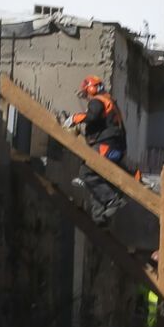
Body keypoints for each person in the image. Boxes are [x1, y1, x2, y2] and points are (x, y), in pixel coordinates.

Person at [63, 75, 129, 224]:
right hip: (116, 145)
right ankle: (100, 218)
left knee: (86, 172)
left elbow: (92, 116)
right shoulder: (109, 101)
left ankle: (112, 199)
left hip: (107, 144)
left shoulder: (98, 101)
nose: (86, 98)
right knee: (98, 179)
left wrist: (75, 119)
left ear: (91, 89)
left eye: (86, 93)